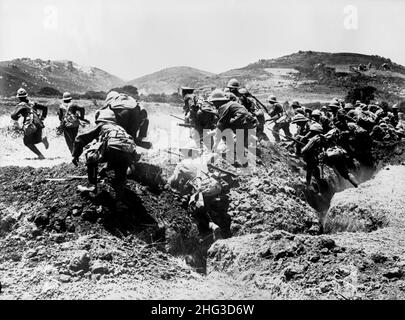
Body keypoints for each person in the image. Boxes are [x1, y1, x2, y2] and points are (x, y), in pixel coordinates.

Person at [72, 121, 138, 206]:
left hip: (113, 147)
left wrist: (75, 155)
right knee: (120, 175)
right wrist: (106, 168)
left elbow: (80, 138)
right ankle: (119, 201)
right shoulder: (120, 128)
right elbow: (120, 153)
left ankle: (92, 186)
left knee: (91, 156)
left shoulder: (102, 125)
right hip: (129, 150)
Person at [210, 89, 257, 167]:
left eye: (214, 102)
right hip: (248, 124)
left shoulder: (223, 107)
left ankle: (232, 161)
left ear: (218, 101)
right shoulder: (231, 104)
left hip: (241, 122)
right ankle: (243, 163)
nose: (214, 104)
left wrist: (215, 143)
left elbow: (221, 124)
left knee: (226, 133)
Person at [11, 88, 49, 159]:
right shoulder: (32, 103)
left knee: (27, 142)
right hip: (39, 123)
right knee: (35, 139)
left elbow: (13, 116)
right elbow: (45, 107)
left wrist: (17, 117)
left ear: (18, 97)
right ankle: (42, 139)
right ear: (26, 96)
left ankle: (40, 155)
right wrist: (43, 118)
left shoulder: (21, 105)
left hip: (30, 125)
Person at [301, 123, 325, 187]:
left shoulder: (314, 139)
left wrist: (301, 151)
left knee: (309, 169)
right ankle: (321, 187)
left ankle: (308, 183)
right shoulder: (321, 138)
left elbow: (305, 150)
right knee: (316, 170)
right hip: (317, 156)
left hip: (311, 156)